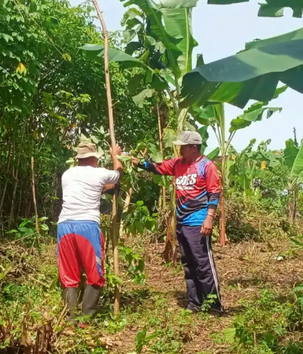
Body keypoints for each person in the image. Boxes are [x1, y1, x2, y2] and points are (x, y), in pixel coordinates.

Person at [132, 131, 224, 313]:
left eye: (183, 146)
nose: (179, 149)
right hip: (182, 222)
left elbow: (214, 193)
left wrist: (209, 218)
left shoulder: (207, 166)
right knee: (188, 264)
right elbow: (157, 168)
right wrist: (139, 163)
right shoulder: (177, 164)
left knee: (203, 263)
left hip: (198, 221)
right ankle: (195, 303)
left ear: (193, 147)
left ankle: (214, 305)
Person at [57, 142, 123, 326]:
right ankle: (86, 320)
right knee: (95, 274)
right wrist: (115, 155)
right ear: (94, 158)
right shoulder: (99, 173)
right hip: (86, 226)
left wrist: (106, 187)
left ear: (79, 158)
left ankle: (70, 320)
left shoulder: (67, 174)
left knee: (69, 275)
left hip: (65, 226)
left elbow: (93, 189)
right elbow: (118, 174)